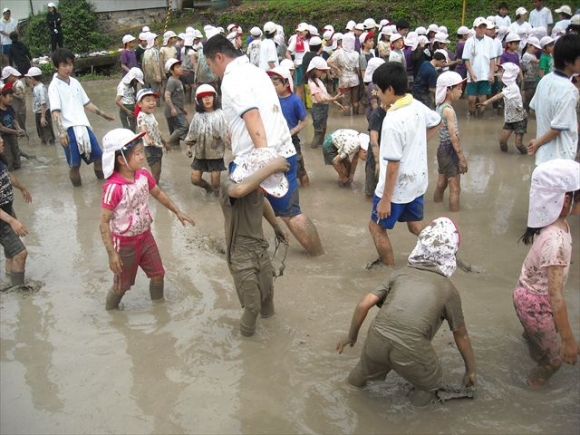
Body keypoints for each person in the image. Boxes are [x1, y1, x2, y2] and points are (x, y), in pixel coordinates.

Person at [204, 34, 324, 257]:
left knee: (233, 206)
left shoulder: (232, 78)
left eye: (210, 65)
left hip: (256, 158)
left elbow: (252, 115)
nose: (212, 71)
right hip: (284, 151)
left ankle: (233, 251)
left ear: (219, 57)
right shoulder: (256, 71)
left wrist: (264, 159)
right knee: (292, 213)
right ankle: (319, 256)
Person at [338, 217, 477, 406]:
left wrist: (351, 337)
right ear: (450, 256)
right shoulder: (448, 290)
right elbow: (461, 334)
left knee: (361, 373)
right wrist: (471, 371)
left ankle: (345, 396)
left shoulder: (399, 273)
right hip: (412, 348)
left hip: (377, 337)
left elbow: (364, 304)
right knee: (430, 386)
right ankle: (414, 418)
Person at [99, 128, 195, 310]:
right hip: (124, 243)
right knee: (121, 287)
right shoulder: (113, 188)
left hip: (145, 237)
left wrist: (177, 211)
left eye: (141, 152)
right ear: (121, 160)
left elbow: (158, 193)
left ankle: (159, 310)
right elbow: (103, 222)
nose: (142, 157)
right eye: (137, 154)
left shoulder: (143, 175)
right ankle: (110, 314)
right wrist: (112, 253)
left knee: (158, 274)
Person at [368, 61, 441, 268]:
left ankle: (389, 271)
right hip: (417, 182)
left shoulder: (392, 121)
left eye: (379, 90)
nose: (377, 95)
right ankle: (442, 251)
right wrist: (417, 143)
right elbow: (437, 121)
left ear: (390, 89)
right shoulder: (416, 105)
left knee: (376, 228)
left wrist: (385, 200)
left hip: (396, 188)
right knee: (415, 225)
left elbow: (392, 165)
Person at [514, 159, 579, 387]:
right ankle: (531, 387)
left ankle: (534, 341)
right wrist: (568, 339)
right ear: (566, 201)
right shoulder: (557, 241)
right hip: (536, 304)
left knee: (535, 338)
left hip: (524, 294)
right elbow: (556, 296)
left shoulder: (551, 223)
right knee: (554, 361)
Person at [221, 148, 290, 336]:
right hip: (240, 253)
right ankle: (249, 350)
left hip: (259, 249)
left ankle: (272, 339)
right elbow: (239, 190)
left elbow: (263, 201)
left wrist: (276, 226)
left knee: (267, 296)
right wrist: (272, 167)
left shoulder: (257, 188)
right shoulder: (229, 184)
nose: (263, 190)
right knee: (252, 307)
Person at [48, 48, 116, 186]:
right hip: (69, 129)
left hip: (84, 126)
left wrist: (103, 114)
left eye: (70, 64)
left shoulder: (75, 82)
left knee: (99, 158)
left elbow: (86, 103)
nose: (68, 68)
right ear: (56, 67)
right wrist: (61, 132)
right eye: (64, 65)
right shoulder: (53, 86)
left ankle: (103, 187)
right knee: (74, 165)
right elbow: (55, 111)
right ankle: (78, 197)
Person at [528, 34, 580, 164]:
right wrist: (536, 143)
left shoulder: (545, 79)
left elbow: (533, 109)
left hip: (543, 157)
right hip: (561, 158)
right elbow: (557, 128)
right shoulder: (570, 90)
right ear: (568, 61)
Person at [267, 66, 310, 187]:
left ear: (286, 84)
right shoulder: (272, 99)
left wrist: (292, 132)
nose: (273, 87)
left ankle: (306, 191)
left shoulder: (295, 100)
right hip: (276, 140)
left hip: (291, 140)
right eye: (272, 84)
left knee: (300, 170)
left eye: (276, 84)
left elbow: (305, 121)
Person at [185, 84, 229, 195]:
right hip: (200, 154)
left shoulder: (220, 115)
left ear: (215, 98)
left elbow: (226, 135)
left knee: (216, 182)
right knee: (194, 179)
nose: (207, 99)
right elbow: (192, 133)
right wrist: (189, 147)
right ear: (199, 100)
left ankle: (217, 198)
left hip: (216, 154)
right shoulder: (197, 117)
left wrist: (233, 147)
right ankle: (207, 188)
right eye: (204, 97)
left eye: (210, 96)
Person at [0, 136, 32, 288]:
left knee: (11, 252)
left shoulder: (1, 159)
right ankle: (19, 291)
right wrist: (12, 221)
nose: (1, 141)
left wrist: (22, 188)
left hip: (7, 209)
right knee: (20, 253)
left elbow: (7, 175)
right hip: (2, 217)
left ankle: (9, 278)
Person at [433, 71, 468, 212]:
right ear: (448, 90)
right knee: (455, 188)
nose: (461, 91)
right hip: (449, 150)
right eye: (458, 88)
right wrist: (462, 158)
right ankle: (456, 217)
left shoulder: (440, 107)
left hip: (441, 150)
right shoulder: (449, 110)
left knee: (442, 182)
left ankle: (436, 206)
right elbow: (454, 137)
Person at [478, 63, 528, 154]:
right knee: (502, 142)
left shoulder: (513, 88)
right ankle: (503, 160)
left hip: (520, 119)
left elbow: (499, 96)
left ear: (509, 74)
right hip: (510, 119)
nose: (499, 73)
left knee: (518, 144)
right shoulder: (506, 86)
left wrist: (486, 102)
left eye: (501, 71)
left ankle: (528, 154)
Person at [306, 56, 343, 148]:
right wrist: (334, 99)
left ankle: (319, 147)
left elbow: (326, 95)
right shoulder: (312, 83)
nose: (322, 73)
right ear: (314, 70)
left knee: (323, 130)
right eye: (321, 71)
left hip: (324, 108)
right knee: (319, 131)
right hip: (318, 108)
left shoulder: (318, 81)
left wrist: (337, 103)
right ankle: (314, 148)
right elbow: (319, 100)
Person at [463, 17, 497, 117]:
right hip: (472, 74)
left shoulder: (490, 41)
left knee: (483, 99)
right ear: (475, 28)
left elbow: (492, 59)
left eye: (484, 27)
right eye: (480, 27)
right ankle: (472, 115)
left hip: (485, 74)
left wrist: (491, 73)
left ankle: (480, 117)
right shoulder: (469, 42)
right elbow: (466, 59)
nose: (482, 29)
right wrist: (471, 73)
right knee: (471, 99)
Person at [136, 88, 171, 184]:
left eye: (153, 100)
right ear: (140, 104)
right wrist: (147, 138)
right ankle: (153, 189)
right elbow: (142, 128)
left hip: (157, 146)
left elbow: (157, 130)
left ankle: (154, 187)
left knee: (158, 171)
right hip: (150, 148)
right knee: (155, 172)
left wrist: (164, 143)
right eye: (148, 100)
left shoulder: (151, 115)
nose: (152, 103)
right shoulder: (141, 115)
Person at [327, 32, 360, 116]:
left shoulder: (339, 52)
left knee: (346, 102)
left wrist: (337, 69)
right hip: (355, 79)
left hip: (343, 78)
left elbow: (329, 61)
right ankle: (356, 118)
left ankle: (346, 121)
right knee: (355, 101)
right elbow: (357, 69)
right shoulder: (356, 54)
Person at [25, 67, 55, 146]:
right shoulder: (36, 87)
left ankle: (50, 147)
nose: (28, 80)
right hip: (38, 112)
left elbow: (43, 103)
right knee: (41, 131)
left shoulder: (41, 88)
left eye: (29, 78)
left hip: (43, 112)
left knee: (47, 131)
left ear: (32, 78)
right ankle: (44, 143)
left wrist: (43, 117)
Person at [164, 59, 188, 147]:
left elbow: (179, 96)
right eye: (177, 67)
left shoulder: (178, 80)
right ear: (171, 71)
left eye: (180, 66)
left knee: (175, 140)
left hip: (174, 109)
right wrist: (173, 108)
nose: (181, 69)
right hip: (172, 110)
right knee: (184, 126)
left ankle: (173, 152)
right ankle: (166, 143)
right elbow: (167, 96)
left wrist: (183, 107)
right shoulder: (172, 81)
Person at [0, 83, 25, 171]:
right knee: (8, 160)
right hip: (3, 138)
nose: (11, 99)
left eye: (12, 97)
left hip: (13, 136)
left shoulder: (10, 108)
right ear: (2, 97)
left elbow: (14, 120)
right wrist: (15, 132)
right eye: (9, 96)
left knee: (17, 159)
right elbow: (1, 127)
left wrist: (18, 128)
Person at [115, 67, 143, 132]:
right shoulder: (122, 86)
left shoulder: (130, 85)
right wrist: (127, 111)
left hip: (132, 109)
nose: (136, 83)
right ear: (132, 78)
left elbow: (132, 96)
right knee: (127, 129)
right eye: (136, 81)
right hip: (125, 111)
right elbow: (117, 101)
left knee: (134, 126)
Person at [2, 66, 26, 137]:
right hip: (16, 109)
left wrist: (12, 94)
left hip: (20, 109)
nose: (6, 81)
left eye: (7, 79)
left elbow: (21, 97)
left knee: (21, 127)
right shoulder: (14, 84)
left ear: (12, 76)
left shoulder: (18, 84)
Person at [142, 33, 163, 97]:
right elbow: (155, 63)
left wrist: (145, 74)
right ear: (153, 41)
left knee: (151, 91)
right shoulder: (155, 51)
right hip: (155, 75)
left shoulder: (146, 51)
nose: (158, 41)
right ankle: (157, 104)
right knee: (157, 91)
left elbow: (143, 64)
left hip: (148, 76)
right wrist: (158, 75)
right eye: (156, 39)